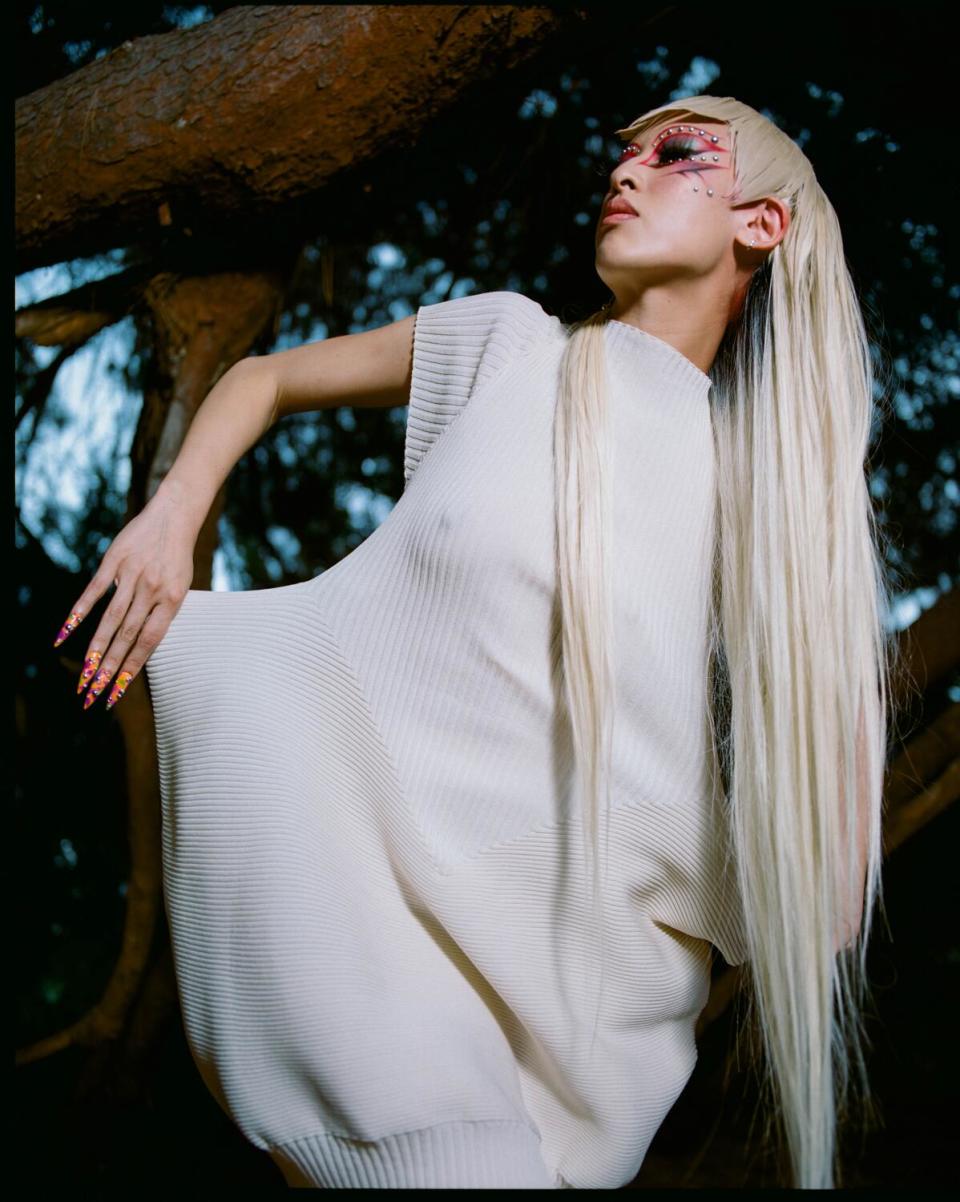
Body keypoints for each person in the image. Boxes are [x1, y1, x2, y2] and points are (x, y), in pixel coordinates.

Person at [52, 94, 900, 1189]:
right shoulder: (508, 344)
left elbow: (820, 866)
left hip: (572, 1011)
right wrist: (171, 521)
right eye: (623, 151)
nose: (627, 171)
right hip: (343, 907)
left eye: (676, 153)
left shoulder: (765, 502)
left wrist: (825, 819)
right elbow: (262, 378)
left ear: (763, 225)